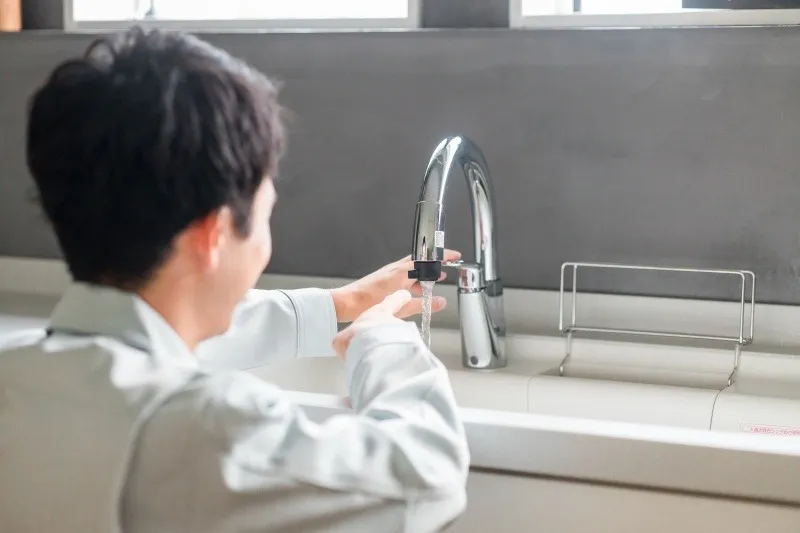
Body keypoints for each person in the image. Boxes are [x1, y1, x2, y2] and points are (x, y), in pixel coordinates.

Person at [0, 27, 469, 533]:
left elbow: (140, 350)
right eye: (266, 214)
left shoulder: (18, 375)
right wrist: (383, 344)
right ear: (215, 233)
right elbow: (425, 480)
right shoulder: (206, 431)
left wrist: (339, 305)